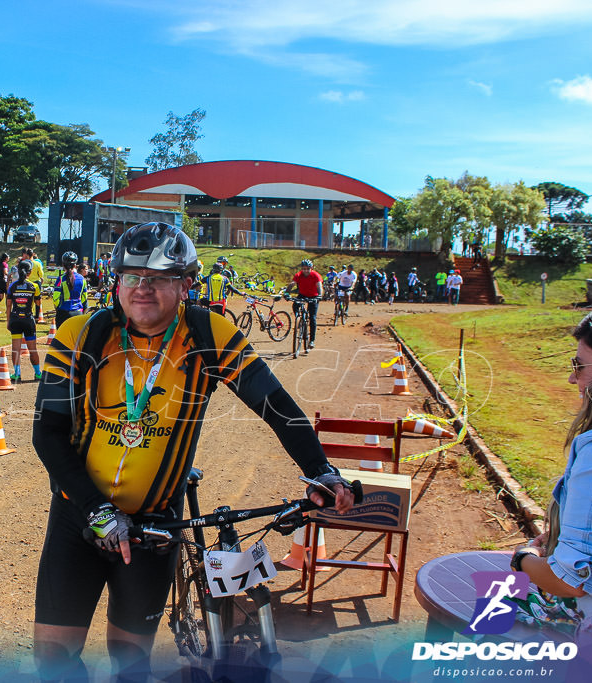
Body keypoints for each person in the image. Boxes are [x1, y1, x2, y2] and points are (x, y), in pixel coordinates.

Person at [31, 222, 353, 681]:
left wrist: (320, 469)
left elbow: (276, 404)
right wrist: (95, 509)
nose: (142, 288)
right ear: (115, 280)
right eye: (131, 276)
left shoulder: (207, 333)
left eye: (159, 278)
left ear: (185, 284)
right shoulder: (80, 334)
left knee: (131, 661)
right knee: (53, 659)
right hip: (78, 513)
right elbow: (48, 433)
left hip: (156, 522)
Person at [512, 307, 592, 672]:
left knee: (492, 606)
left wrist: (521, 559)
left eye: (580, 365)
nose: (572, 379)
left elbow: (571, 583)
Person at [6, 259, 41, 382]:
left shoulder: (12, 286)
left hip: (15, 319)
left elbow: (8, 305)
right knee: (32, 349)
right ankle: (37, 373)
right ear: (29, 272)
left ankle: (17, 374)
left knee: (16, 348)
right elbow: (38, 302)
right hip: (28, 319)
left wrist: (8, 321)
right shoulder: (34, 286)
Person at [288, 258, 323, 351]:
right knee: (295, 305)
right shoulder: (299, 275)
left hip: (314, 296)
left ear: (311, 268)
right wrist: (287, 293)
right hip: (302, 295)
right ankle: (298, 318)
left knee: (312, 318)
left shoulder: (316, 275)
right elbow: (292, 283)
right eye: (304, 268)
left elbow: (319, 286)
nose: (305, 271)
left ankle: (312, 340)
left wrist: (319, 295)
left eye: (307, 268)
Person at [52, 251, 88, 328]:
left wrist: (58, 308)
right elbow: (84, 298)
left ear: (63, 265)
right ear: (75, 265)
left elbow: (55, 298)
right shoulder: (82, 279)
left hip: (63, 313)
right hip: (78, 313)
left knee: (62, 339)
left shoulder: (61, 279)